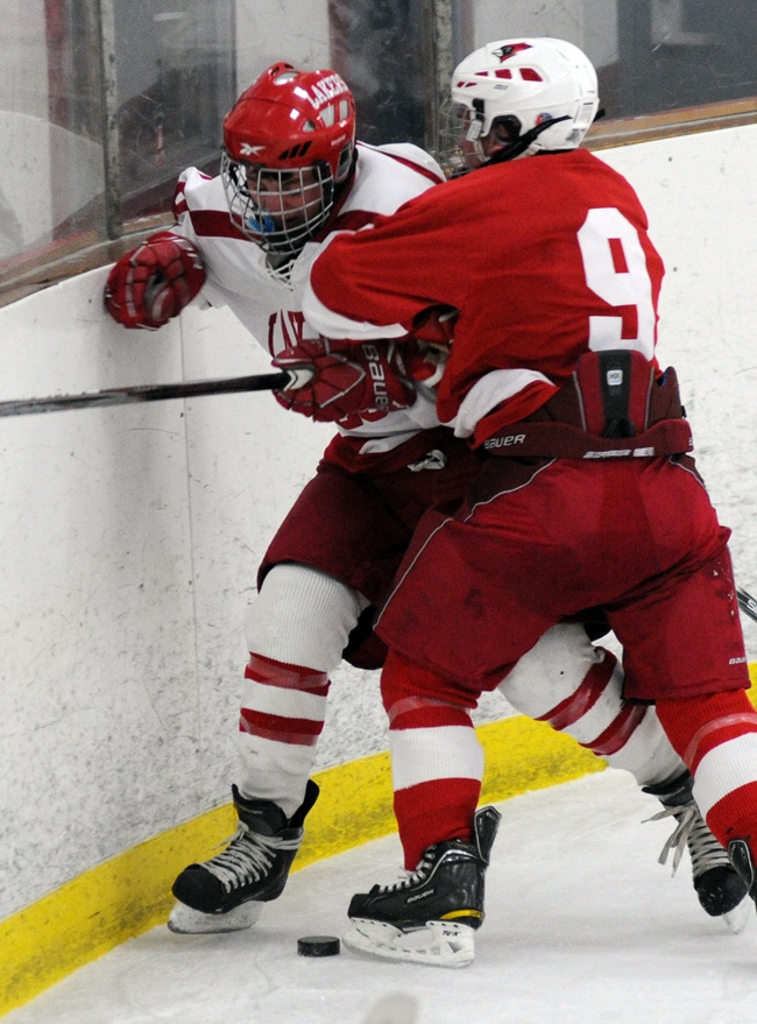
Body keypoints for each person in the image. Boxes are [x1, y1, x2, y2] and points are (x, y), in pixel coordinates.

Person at [103, 57, 746, 945]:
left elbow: (484, 328)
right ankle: (263, 833)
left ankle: (680, 794)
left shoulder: (412, 188)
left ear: (343, 160)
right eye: (260, 182)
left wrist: (393, 370)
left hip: (472, 463)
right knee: (289, 615)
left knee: (534, 664)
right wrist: (170, 258)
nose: (273, 204)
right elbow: (193, 231)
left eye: (297, 184)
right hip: (372, 467)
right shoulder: (215, 205)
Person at [291, 37, 757, 965]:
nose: (467, 137)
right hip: (667, 491)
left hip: (539, 490)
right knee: (712, 703)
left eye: (477, 117)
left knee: (424, 676)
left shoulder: (489, 195)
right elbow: (547, 302)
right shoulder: (614, 193)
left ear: (516, 119)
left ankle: (441, 892)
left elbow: (333, 287)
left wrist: (423, 324)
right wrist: (460, 317)